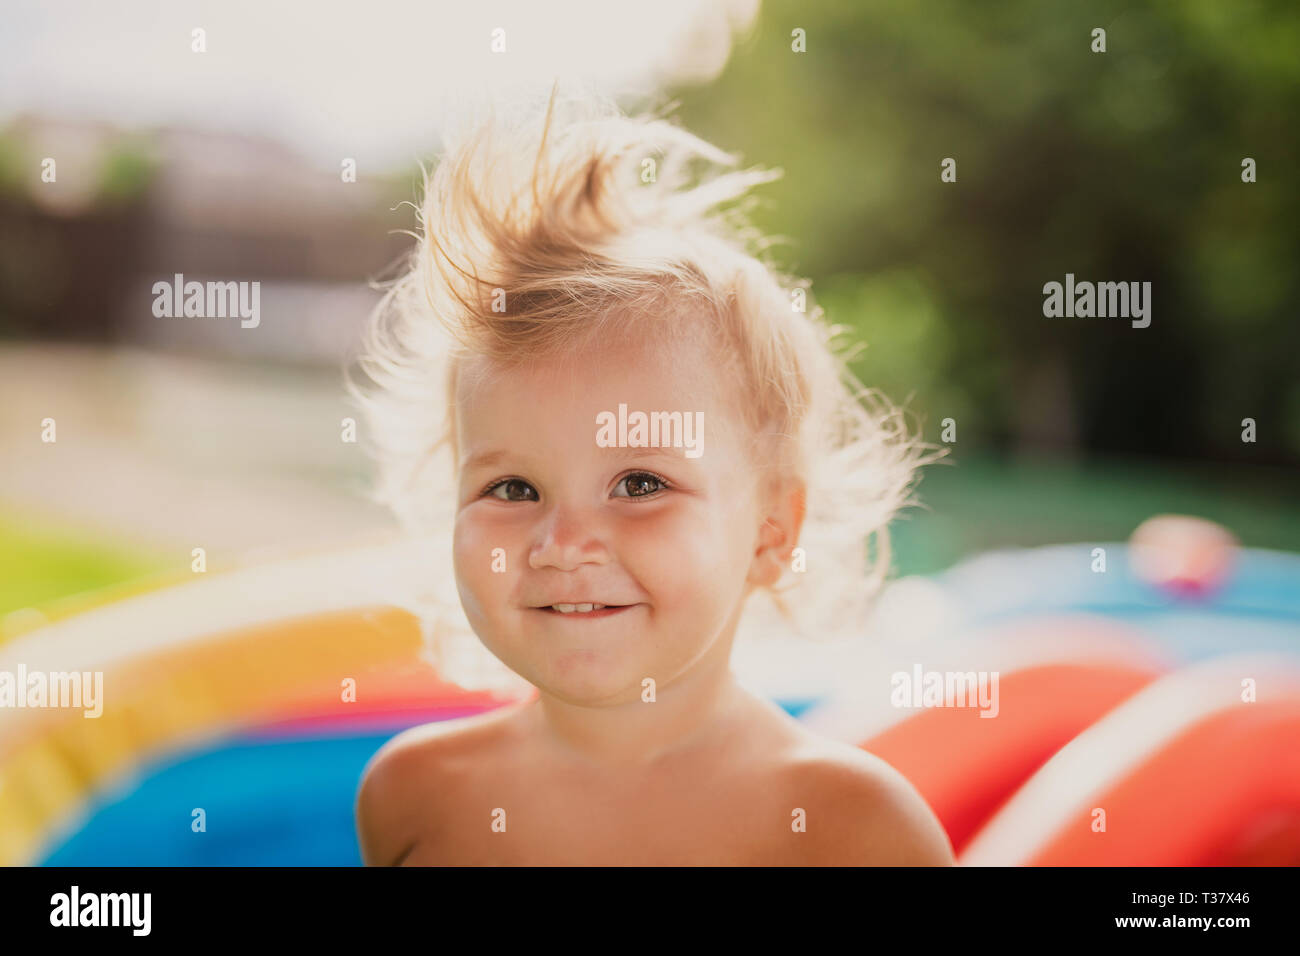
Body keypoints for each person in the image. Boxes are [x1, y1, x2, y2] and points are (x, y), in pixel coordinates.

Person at [349, 87, 953, 865]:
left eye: (639, 484)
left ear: (772, 533)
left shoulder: (851, 830)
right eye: (513, 489)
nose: (563, 543)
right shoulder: (416, 797)